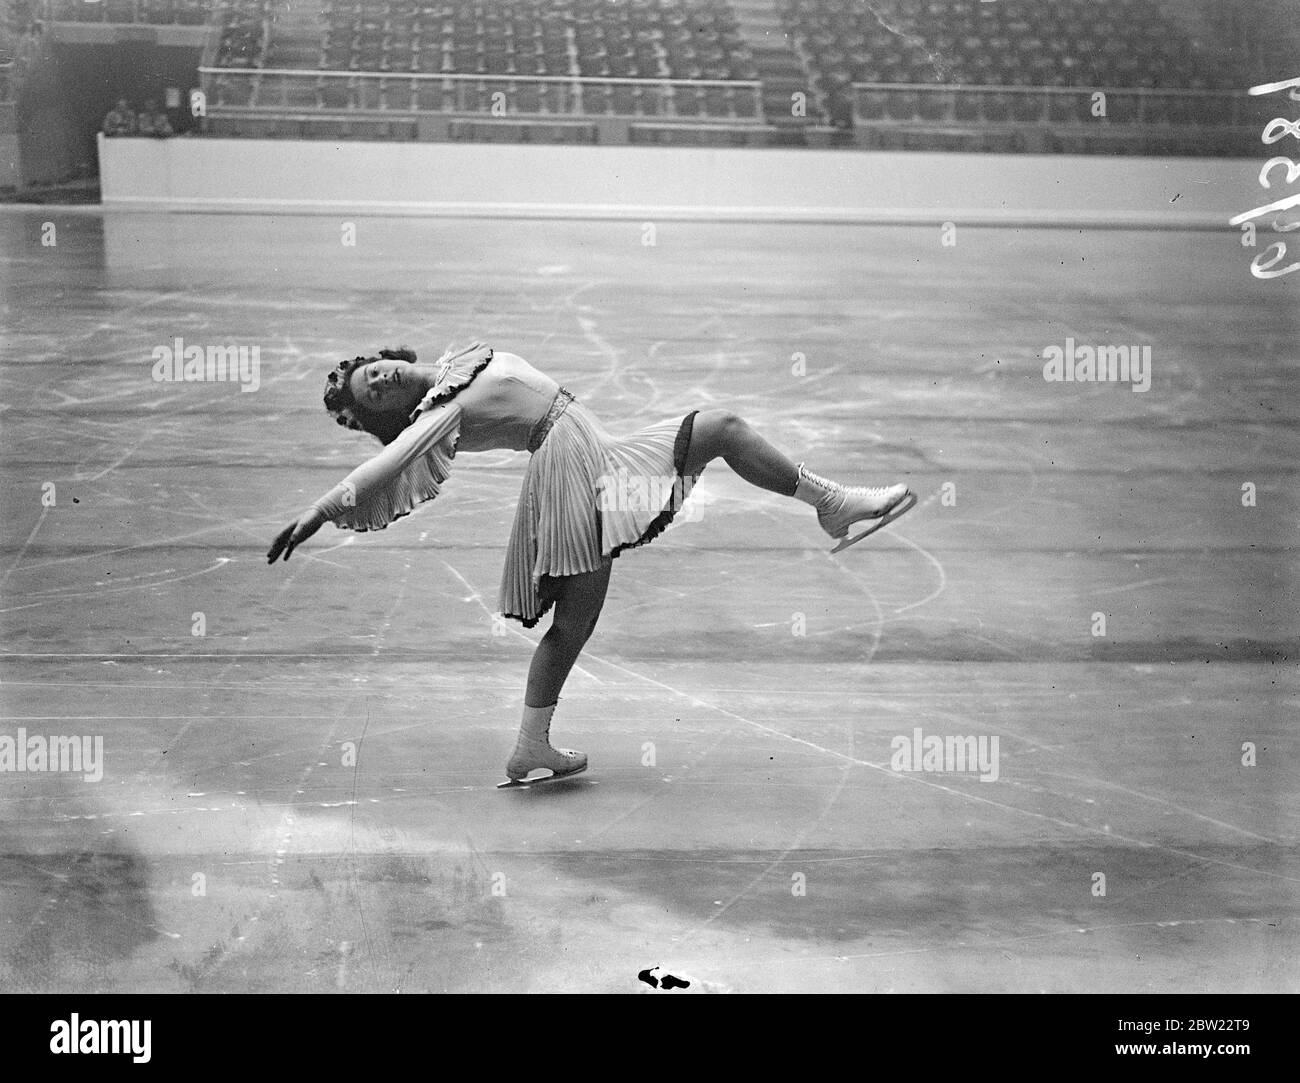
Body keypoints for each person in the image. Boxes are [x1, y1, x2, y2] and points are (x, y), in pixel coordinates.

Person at [267, 344, 911, 784]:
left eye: (373, 371)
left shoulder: (465, 359)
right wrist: (322, 510)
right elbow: (386, 466)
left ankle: (529, 746)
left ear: (389, 357)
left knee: (578, 619)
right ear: (387, 413)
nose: (378, 382)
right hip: (572, 471)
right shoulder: (439, 414)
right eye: (370, 394)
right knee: (716, 430)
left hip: (597, 450)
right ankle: (832, 502)